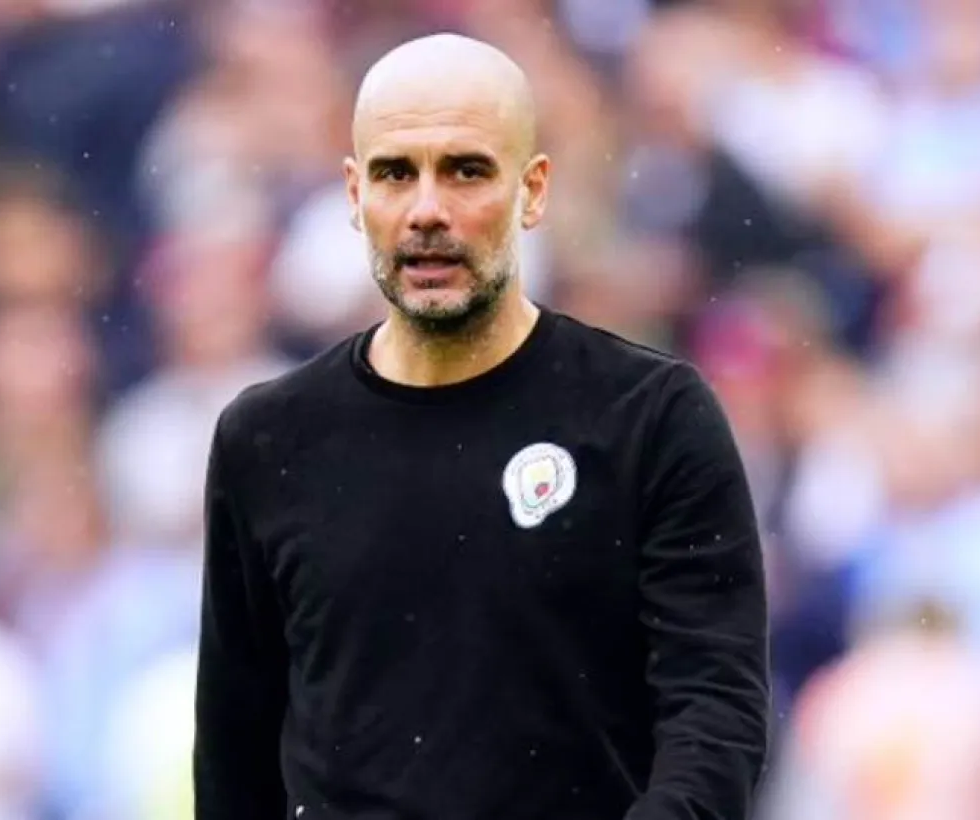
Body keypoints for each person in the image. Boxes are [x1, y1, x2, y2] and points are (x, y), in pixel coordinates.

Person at [193, 33, 771, 820]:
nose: (427, 210)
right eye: (396, 174)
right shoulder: (268, 440)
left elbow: (715, 713)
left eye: (466, 170)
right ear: (355, 195)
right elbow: (235, 757)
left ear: (533, 191)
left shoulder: (651, 416)